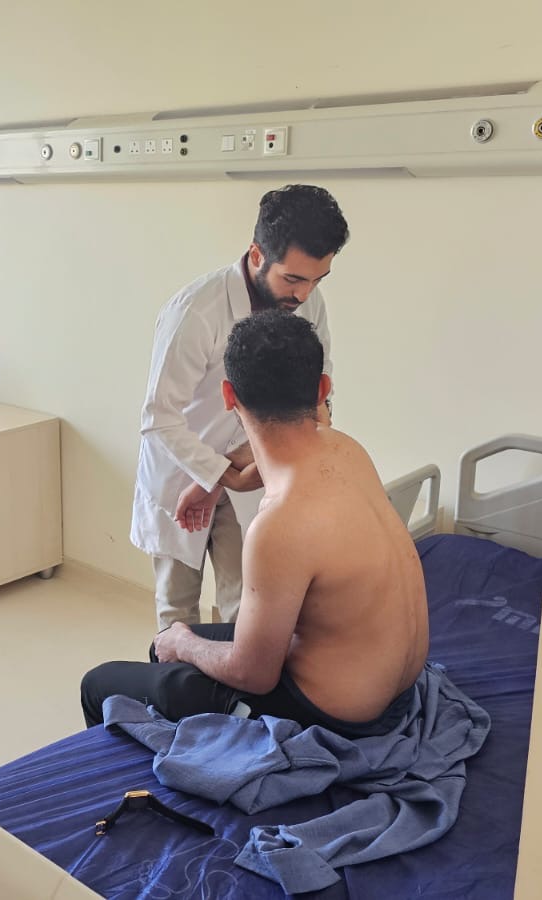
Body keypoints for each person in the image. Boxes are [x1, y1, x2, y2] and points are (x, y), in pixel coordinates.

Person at [84, 311, 428, 736]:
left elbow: (255, 675)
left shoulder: (278, 526)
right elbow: (272, 450)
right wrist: (213, 480)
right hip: (394, 687)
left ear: (229, 396)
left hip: (337, 715)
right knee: (165, 648)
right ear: (323, 389)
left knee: (103, 681)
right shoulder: (346, 449)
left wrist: (185, 644)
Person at [131, 184, 348, 630]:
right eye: (293, 279)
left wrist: (226, 477)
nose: (304, 294)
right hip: (182, 470)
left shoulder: (309, 305)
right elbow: (159, 419)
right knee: (177, 611)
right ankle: (175, 677)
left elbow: (315, 396)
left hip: (252, 472)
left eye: (317, 280)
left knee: (247, 608)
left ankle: (233, 678)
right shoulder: (195, 312)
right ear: (256, 254)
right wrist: (212, 476)